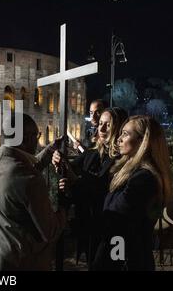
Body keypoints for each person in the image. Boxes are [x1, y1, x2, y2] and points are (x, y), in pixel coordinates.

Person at [0, 113, 66, 271]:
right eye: (37, 135)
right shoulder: (30, 179)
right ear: (27, 137)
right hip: (25, 260)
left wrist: (49, 151)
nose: (37, 139)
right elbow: (49, 231)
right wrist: (65, 207)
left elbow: (19, 174)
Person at [92, 116, 173, 271]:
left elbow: (118, 220)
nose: (119, 139)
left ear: (144, 141)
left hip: (126, 256)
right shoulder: (133, 173)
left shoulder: (144, 178)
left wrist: (114, 260)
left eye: (126, 134)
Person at [52, 107, 128, 269]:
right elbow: (72, 169)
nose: (101, 129)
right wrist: (59, 161)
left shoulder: (123, 159)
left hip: (110, 229)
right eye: (100, 123)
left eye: (108, 125)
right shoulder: (93, 152)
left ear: (119, 128)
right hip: (88, 224)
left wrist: (75, 180)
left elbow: (106, 189)